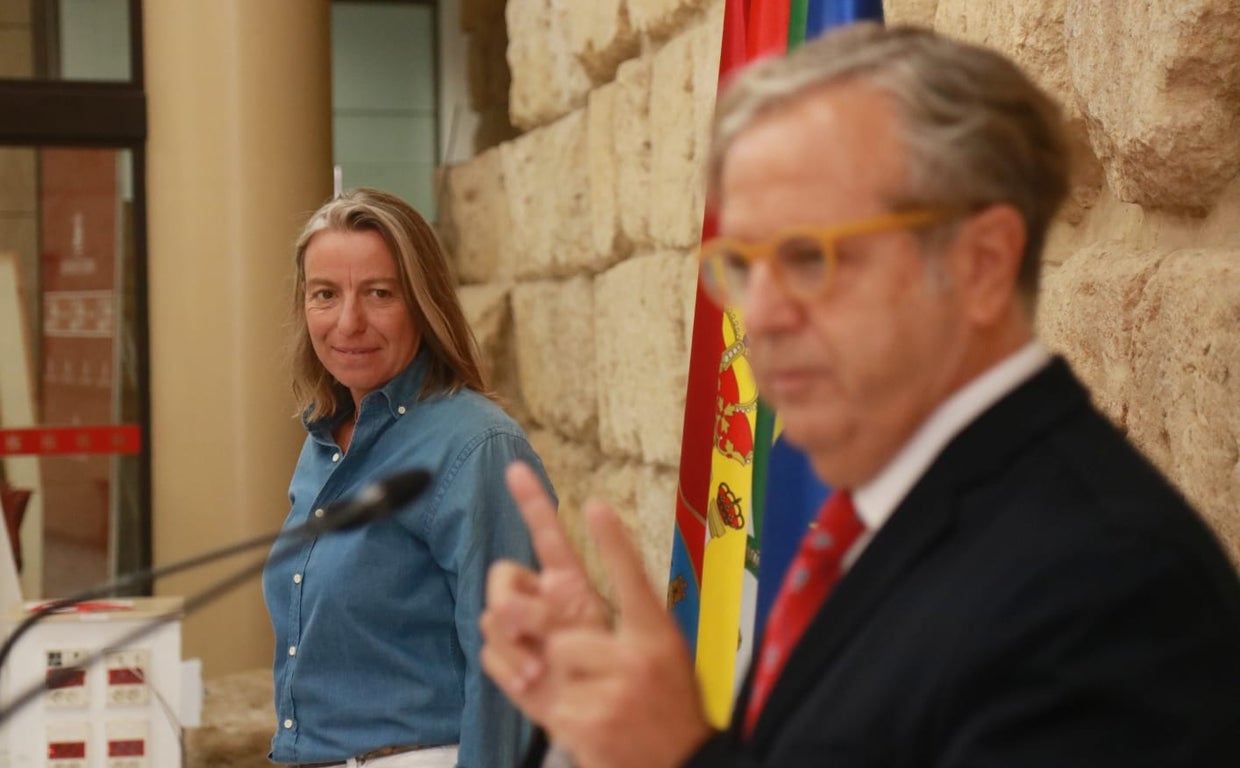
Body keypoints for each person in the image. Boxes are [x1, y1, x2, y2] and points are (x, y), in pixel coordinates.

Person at [479, 23, 1240, 768]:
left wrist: (679, 755)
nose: (763, 315)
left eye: (810, 256)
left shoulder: (1107, 590)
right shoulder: (871, 523)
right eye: (743, 262)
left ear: (980, 264)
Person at [263, 188, 554, 768]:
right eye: (326, 294)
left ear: (423, 304)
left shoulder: (477, 447)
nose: (349, 321)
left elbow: (512, 675)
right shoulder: (323, 440)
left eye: (379, 293)